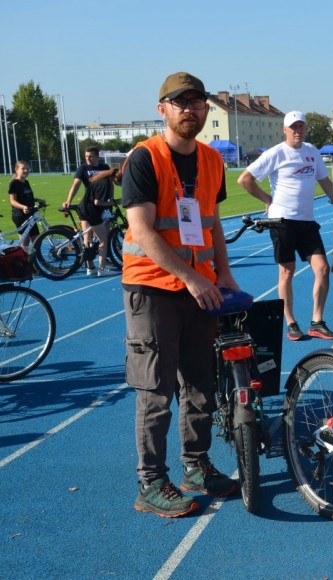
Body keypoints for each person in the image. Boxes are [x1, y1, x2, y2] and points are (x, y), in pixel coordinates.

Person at [122, 71, 239, 518]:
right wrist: (192, 277)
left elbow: (211, 223)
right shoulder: (144, 158)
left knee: (200, 384)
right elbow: (143, 231)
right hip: (153, 288)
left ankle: (196, 465)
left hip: (201, 288)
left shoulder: (211, 160)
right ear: (163, 110)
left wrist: (222, 273)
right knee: (155, 390)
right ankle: (150, 481)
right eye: (181, 102)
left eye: (198, 102)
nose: (191, 109)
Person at [237, 111, 333, 342]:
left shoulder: (312, 152)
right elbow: (245, 179)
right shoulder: (276, 153)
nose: (298, 131)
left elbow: (325, 181)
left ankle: (317, 321)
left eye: (301, 127)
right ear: (285, 130)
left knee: (322, 269)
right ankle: (291, 322)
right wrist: (266, 200)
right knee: (287, 272)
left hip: (307, 221)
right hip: (282, 221)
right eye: (293, 127)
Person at [64, 146, 111, 275]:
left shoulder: (104, 167)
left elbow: (111, 183)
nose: (88, 159)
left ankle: (100, 261)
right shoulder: (83, 168)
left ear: (97, 156)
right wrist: (69, 200)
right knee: (88, 236)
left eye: (90, 156)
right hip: (89, 204)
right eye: (86, 157)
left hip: (100, 204)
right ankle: (91, 266)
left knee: (103, 231)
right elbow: (76, 185)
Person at [80, 167, 122, 275]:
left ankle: (90, 268)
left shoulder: (103, 180)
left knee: (88, 237)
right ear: (116, 178)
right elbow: (97, 202)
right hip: (91, 211)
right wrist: (116, 202)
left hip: (83, 208)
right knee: (103, 239)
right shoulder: (105, 183)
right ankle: (102, 269)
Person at [7, 161, 41, 247]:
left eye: (27, 169)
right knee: (25, 242)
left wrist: (38, 200)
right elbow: (12, 201)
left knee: (36, 240)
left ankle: (34, 260)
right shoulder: (14, 183)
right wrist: (23, 207)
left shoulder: (26, 182)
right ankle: (21, 259)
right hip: (20, 215)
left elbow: (26, 197)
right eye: (23, 168)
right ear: (16, 170)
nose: (26, 170)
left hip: (30, 214)